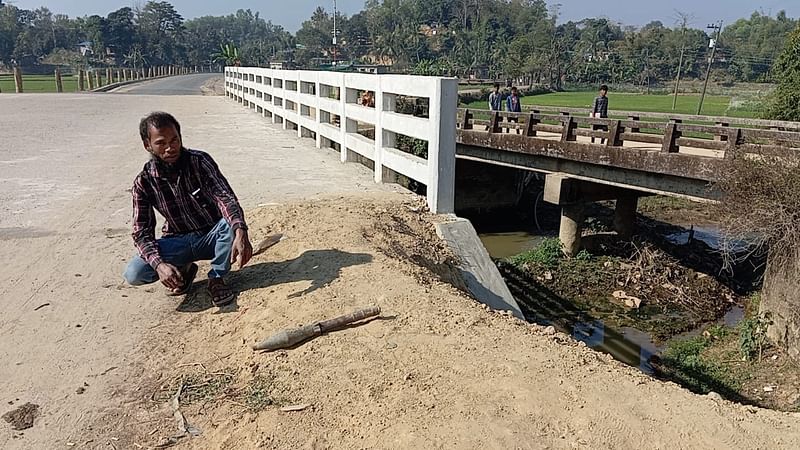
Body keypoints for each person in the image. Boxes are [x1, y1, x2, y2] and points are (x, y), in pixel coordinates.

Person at [122, 112, 253, 307]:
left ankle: (217, 278)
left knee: (230, 222)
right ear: (147, 145)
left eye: (175, 140)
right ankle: (183, 269)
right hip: (178, 240)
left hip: (213, 235)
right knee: (134, 273)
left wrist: (241, 231)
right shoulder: (144, 182)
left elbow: (225, 198)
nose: (170, 147)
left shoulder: (199, 161)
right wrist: (160, 265)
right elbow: (141, 233)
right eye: (161, 142)